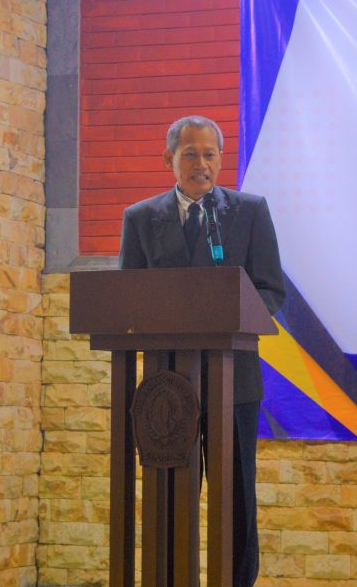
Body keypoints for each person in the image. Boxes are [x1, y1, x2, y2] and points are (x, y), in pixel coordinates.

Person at [119, 114, 285, 587]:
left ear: (221, 159)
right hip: (167, 383)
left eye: (210, 154)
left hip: (234, 380)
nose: (201, 164)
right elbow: (127, 297)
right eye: (190, 154)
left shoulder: (249, 212)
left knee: (236, 493)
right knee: (171, 493)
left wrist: (235, 316)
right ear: (169, 158)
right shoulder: (140, 218)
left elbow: (271, 289)